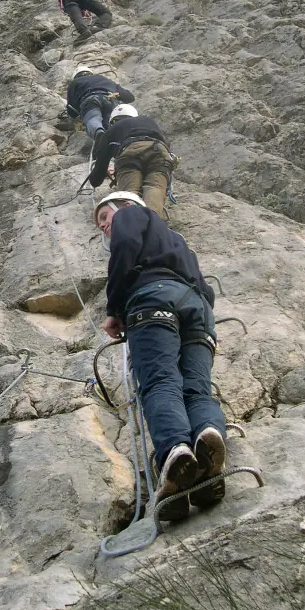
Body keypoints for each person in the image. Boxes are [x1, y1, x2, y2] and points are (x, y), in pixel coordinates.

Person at [94, 191, 227, 522]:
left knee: (159, 380)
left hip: (153, 301)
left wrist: (114, 309)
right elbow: (206, 289)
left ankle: (175, 453)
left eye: (103, 219)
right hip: (198, 309)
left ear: (123, 206)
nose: (104, 228)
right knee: (196, 387)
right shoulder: (175, 239)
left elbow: (124, 246)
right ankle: (207, 440)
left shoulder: (130, 215)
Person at [88, 104, 177, 218]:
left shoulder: (112, 130)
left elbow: (101, 163)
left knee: (130, 192)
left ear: (113, 121)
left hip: (130, 152)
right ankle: (153, 221)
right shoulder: (148, 121)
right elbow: (165, 142)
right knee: (155, 187)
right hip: (159, 150)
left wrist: (95, 179)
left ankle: (134, 222)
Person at [66, 68, 135, 142]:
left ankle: (99, 133)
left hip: (90, 99)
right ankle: (115, 139)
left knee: (93, 118)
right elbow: (130, 97)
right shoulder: (105, 79)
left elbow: (71, 110)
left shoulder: (75, 83)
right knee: (109, 122)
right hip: (110, 99)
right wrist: (117, 95)